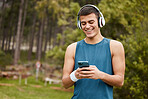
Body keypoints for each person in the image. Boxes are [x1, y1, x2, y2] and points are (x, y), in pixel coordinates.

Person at [62, 4, 125, 99]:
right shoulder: (72, 48)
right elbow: (65, 84)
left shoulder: (115, 46)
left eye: (91, 22)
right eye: (83, 23)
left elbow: (120, 81)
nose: (87, 26)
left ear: (100, 22)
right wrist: (75, 75)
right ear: (80, 25)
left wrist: (100, 75)